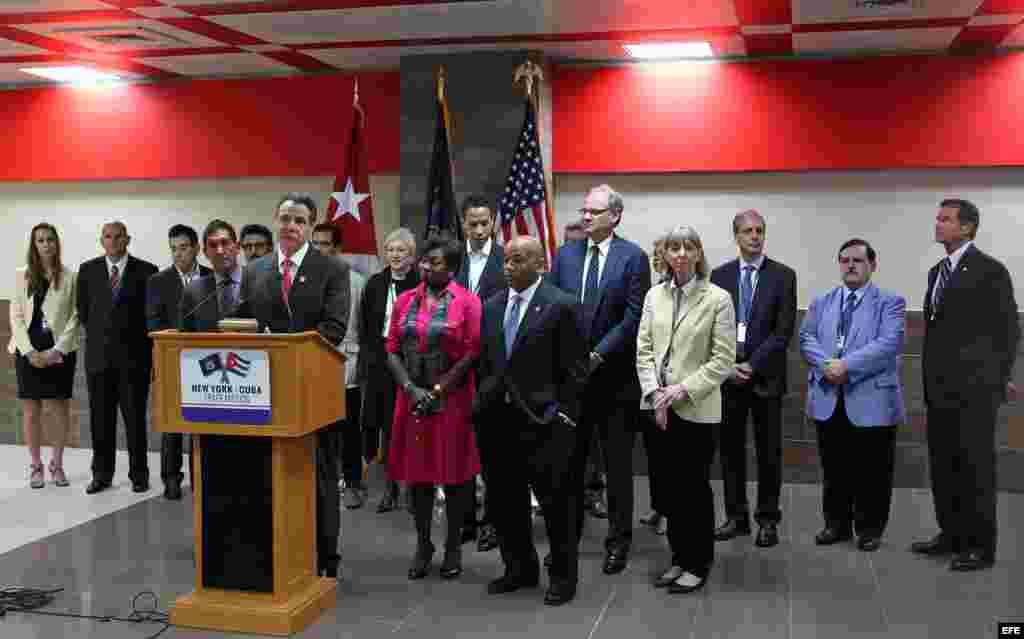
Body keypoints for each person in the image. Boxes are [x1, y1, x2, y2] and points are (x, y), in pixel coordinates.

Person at [235, 193, 351, 580]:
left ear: (311, 224)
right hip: (263, 395)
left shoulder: (333, 269)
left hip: (314, 392)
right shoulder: (255, 271)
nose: (290, 226)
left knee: (318, 479)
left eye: (299, 220)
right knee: (269, 476)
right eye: (284, 218)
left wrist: (287, 353)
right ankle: (275, 552)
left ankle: (325, 559)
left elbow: (333, 330)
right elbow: (245, 325)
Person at [475, 236, 586, 606]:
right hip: (497, 422)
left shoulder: (561, 305)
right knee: (506, 502)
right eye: (506, 260)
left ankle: (562, 577)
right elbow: (488, 364)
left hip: (544, 422)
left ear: (540, 264)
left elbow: (575, 370)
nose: (509, 267)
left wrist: (564, 415)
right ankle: (519, 569)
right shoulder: (490, 307)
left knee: (556, 505)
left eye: (518, 260)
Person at [546, 183, 651, 575]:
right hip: (571, 381)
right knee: (569, 465)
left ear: (615, 216)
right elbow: (553, 307)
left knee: (617, 467)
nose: (585, 216)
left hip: (614, 381)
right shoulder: (565, 255)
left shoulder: (633, 258)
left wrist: (597, 354)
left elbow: (633, 316)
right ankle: (566, 540)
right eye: (584, 210)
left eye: (593, 211)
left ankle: (618, 541)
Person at [911, 199, 1019, 571]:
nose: (938, 224)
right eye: (937, 217)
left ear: (968, 228)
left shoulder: (990, 271)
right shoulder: (936, 272)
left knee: (975, 468)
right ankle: (951, 534)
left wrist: (997, 379)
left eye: (946, 219)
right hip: (939, 390)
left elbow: (1007, 331)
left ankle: (979, 545)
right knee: (944, 466)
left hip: (975, 392)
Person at [636, 225, 735, 594]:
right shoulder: (653, 295)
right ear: (664, 255)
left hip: (696, 409)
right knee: (668, 491)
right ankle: (678, 558)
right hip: (657, 409)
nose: (679, 254)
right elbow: (643, 350)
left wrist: (678, 391)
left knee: (693, 490)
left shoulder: (717, 298)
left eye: (687, 247)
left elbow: (722, 360)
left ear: (698, 254)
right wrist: (653, 394)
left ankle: (698, 562)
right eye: (673, 248)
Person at [800, 239, 906, 552]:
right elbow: (806, 338)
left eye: (858, 260)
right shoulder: (823, 301)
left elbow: (888, 345)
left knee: (873, 470)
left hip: (872, 398)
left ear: (872, 265)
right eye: (844, 260)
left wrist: (846, 366)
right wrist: (826, 366)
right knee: (834, 467)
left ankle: (870, 528)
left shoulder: (891, 302)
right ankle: (836, 524)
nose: (850, 266)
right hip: (829, 397)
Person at [385, 237, 481, 580]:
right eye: (424, 261)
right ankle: (423, 545)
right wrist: (411, 389)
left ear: (452, 268)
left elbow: (472, 352)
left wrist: (438, 389)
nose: (426, 267)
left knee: (454, 477)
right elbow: (392, 348)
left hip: (452, 401)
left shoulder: (467, 302)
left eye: (435, 262)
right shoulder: (405, 300)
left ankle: (453, 546)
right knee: (418, 476)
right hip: (411, 400)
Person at [709, 209, 797, 548]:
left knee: (768, 452)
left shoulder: (783, 276)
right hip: (728, 378)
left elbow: (783, 330)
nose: (755, 236)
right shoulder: (720, 276)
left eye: (760, 230)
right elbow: (712, 328)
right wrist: (729, 365)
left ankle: (768, 519)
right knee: (730, 451)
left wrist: (752, 365)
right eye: (748, 231)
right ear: (737, 236)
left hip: (766, 378)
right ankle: (736, 517)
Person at [78, 222, 158, 495]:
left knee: (135, 420)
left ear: (128, 239)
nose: (113, 241)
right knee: (100, 420)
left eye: (118, 236)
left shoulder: (147, 271)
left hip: (134, 361)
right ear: (102, 241)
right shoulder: (87, 271)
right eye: (108, 237)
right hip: (99, 361)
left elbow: (150, 316)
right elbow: (84, 313)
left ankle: (139, 474)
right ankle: (101, 474)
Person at [453, 195, 505, 552]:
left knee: (491, 449)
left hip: (490, 361)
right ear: (464, 223)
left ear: (493, 223)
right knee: (460, 446)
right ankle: (466, 519)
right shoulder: (453, 259)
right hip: (456, 362)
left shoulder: (505, 260)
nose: (478, 229)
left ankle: (493, 522)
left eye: (484, 223)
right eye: (472, 223)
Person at [9, 223, 79, 489]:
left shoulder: (70, 277)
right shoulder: (21, 275)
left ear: (57, 244)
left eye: (50, 239)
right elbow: (15, 316)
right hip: (29, 351)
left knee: (59, 410)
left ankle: (57, 465)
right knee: (31, 411)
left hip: (58, 352)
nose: (46, 244)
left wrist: (57, 351)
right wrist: (28, 352)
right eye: (40, 240)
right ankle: (36, 465)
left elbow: (75, 317)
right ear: (34, 245)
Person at [146, 224, 211, 500]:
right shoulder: (158, 281)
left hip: (206, 363)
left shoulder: (212, 277)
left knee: (203, 424)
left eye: (184, 248)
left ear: (196, 248)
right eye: (174, 249)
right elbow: (153, 322)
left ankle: (202, 477)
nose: (178, 254)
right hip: (171, 360)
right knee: (172, 424)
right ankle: (171, 479)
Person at [358, 228, 421, 513]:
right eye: (391, 250)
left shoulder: (420, 283)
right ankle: (391, 489)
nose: (395, 255)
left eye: (401, 250)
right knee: (385, 426)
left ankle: (413, 488)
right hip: (380, 362)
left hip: (411, 363)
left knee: (408, 426)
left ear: (412, 255)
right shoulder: (374, 283)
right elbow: (365, 326)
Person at [312, 222, 368, 510]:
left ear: (337, 247)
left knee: (349, 430)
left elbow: (363, 326)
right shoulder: (308, 279)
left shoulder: (356, 281)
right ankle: (324, 481)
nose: (319, 249)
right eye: (316, 243)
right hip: (315, 366)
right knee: (320, 429)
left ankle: (353, 482)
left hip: (348, 364)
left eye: (324, 243)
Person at [639, 236, 670, 534]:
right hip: (650, 387)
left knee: (671, 457)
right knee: (654, 454)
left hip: (675, 389)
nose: (656, 259)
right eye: (654, 254)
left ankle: (672, 512)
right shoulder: (651, 293)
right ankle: (658, 506)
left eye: (661, 254)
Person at [178, 220, 243, 332]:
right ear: (205, 252)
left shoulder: (258, 282)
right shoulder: (193, 291)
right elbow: (184, 337)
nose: (220, 250)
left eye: (225, 243)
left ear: (237, 247)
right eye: (213, 245)